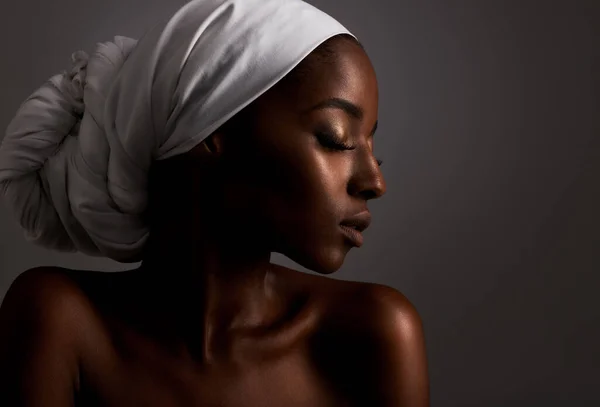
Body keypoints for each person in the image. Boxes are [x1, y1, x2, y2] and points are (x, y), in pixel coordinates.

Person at [0, 0, 429, 405]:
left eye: (373, 147)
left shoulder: (373, 334)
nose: (375, 181)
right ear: (211, 131)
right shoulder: (60, 323)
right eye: (336, 137)